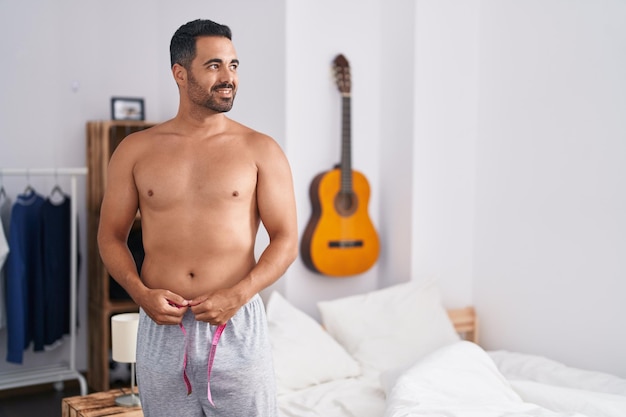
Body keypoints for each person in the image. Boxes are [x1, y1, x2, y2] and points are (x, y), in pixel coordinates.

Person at [97, 18, 298, 416]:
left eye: (234, 65)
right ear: (179, 72)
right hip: (162, 326)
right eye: (214, 66)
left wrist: (238, 295)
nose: (229, 77)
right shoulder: (134, 151)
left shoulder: (261, 149)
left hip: (236, 321)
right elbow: (110, 237)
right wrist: (140, 294)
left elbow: (286, 239)